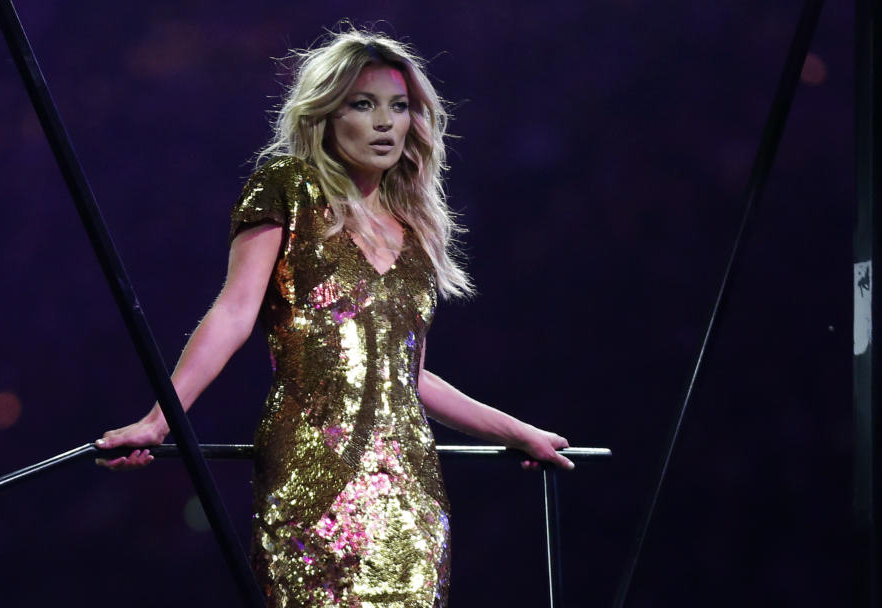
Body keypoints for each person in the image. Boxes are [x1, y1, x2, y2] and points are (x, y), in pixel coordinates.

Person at [95, 27, 573, 608]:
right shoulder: (287, 187)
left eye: (398, 107)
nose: (384, 123)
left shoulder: (417, 230)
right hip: (312, 472)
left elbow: (409, 377)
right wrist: (160, 418)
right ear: (326, 114)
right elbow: (234, 312)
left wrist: (518, 432)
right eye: (363, 104)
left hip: (409, 489)